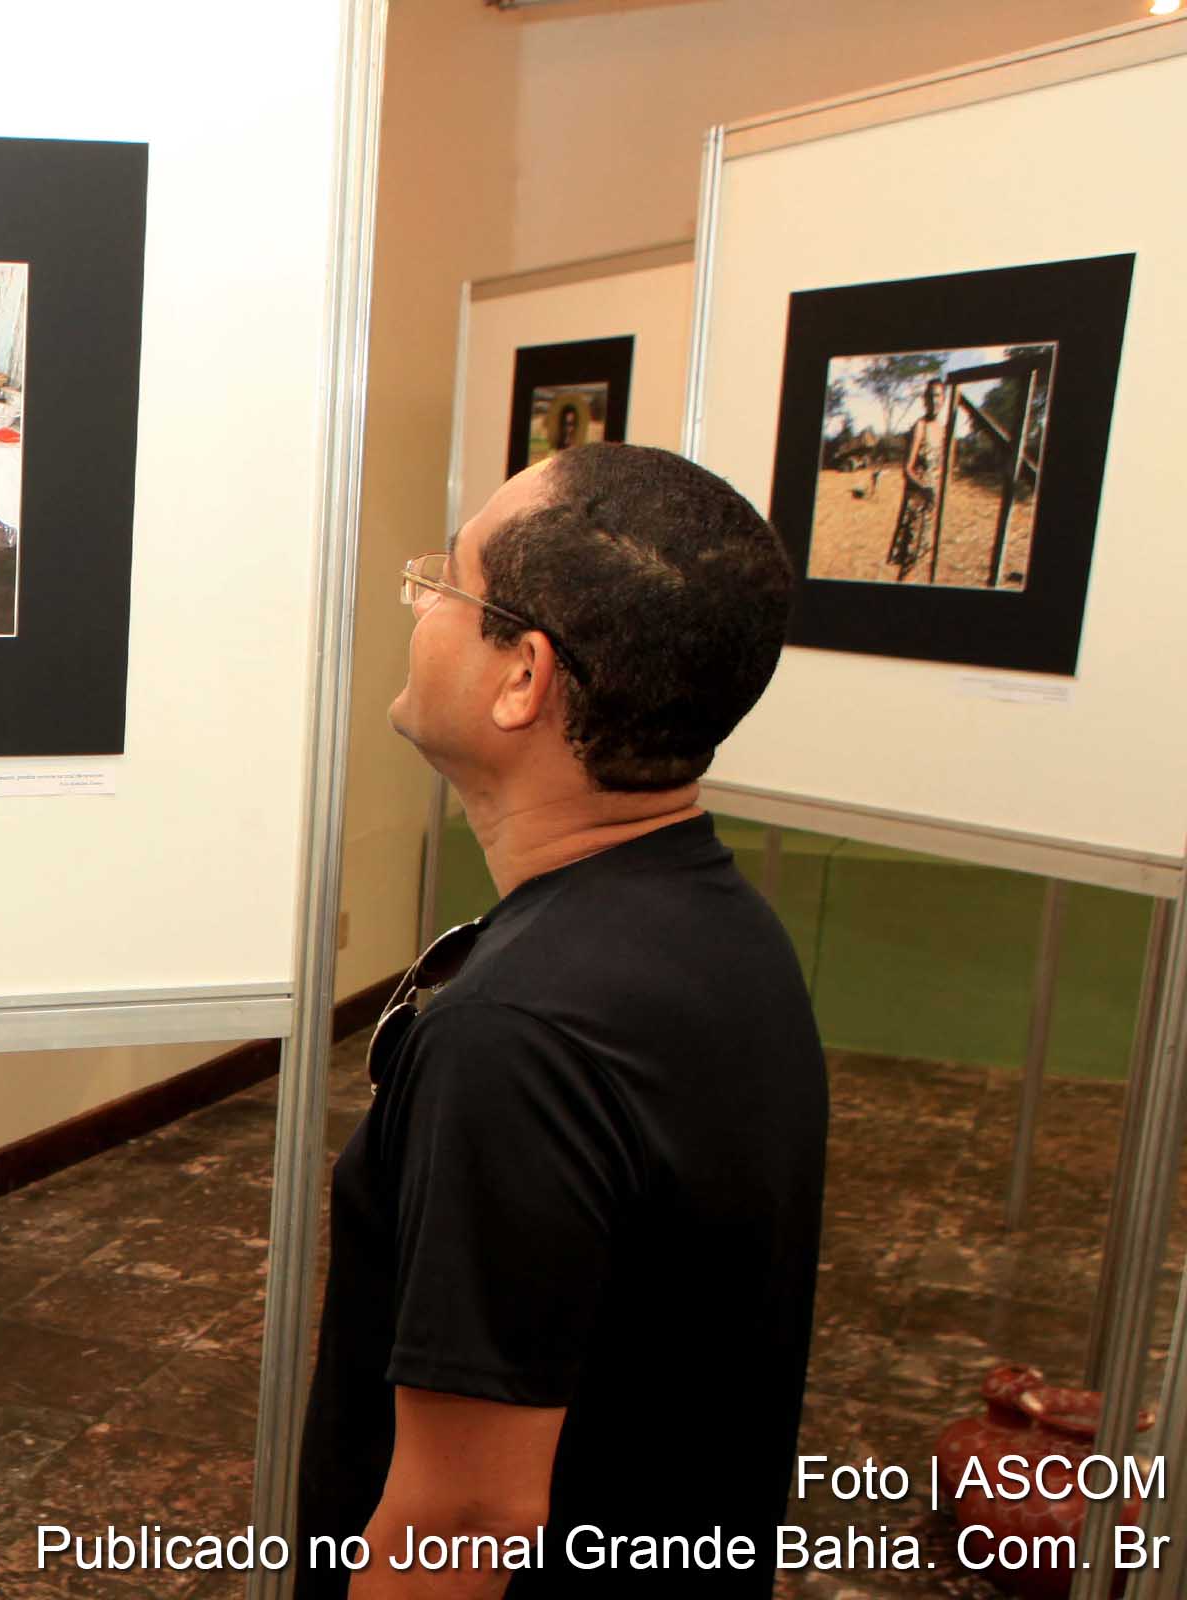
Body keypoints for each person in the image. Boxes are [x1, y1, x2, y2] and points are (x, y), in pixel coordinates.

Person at [296, 443, 826, 1599]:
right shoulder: (726, 927)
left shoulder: (520, 1033)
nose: (423, 600)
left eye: (449, 580)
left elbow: (469, 1516)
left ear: (523, 677)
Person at [887, 377, 945, 579]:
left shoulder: (942, 429)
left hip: (931, 503)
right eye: (930, 396)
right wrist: (924, 489)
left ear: (944, 399)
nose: (934, 401)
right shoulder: (920, 426)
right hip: (917, 501)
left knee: (923, 558)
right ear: (924, 400)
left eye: (937, 396)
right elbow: (907, 469)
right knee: (908, 563)